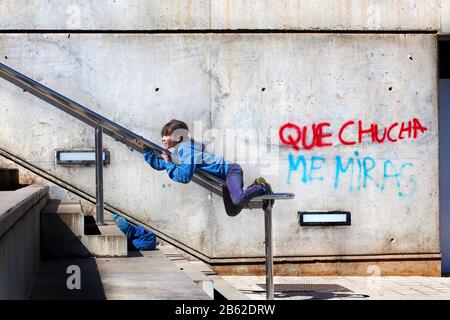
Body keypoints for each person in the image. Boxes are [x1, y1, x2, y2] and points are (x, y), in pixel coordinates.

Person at [135, 119, 273, 214]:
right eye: (162, 136)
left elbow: (184, 177)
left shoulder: (186, 150)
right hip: (224, 180)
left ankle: (262, 187)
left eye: (166, 135)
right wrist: (147, 151)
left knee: (238, 199)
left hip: (230, 171)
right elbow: (161, 164)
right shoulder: (180, 152)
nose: (162, 139)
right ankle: (254, 186)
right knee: (232, 210)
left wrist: (169, 163)